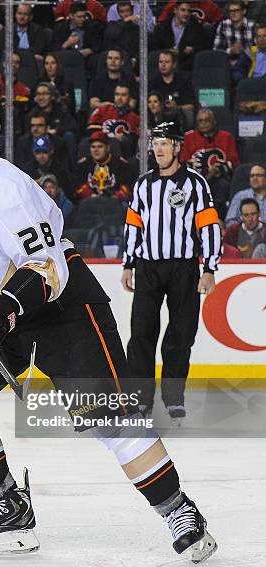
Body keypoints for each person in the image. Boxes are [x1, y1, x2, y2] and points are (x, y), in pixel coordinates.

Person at [0, 92, 217, 562]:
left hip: (64, 309)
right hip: (5, 310)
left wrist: (0, 308)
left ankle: (179, 511)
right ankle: (10, 510)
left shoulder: (10, 192)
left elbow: (46, 269)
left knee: (111, 420)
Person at [121, 122, 222, 421]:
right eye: (155, 143)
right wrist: (128, 264)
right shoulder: (143, 184)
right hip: (148, 267)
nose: (159, 149)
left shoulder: (196, 183)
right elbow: (133, 226)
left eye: (165, 143)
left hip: (184, 268)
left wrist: (210, 268)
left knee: (181, 333)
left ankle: (174, 397)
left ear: (178, 147)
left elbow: (209, 227)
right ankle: (140, 400)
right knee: (141, 334)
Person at [180, 108, 240, 218]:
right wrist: (204, 174)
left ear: (214, 122)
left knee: (222, 185)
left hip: (220, 179)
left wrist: (216, 171)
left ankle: (217, 218)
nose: (203, 123)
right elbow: (184, 162)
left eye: (207, 120)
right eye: (200, 121)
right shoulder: (189, 137)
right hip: (196, 178)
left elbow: (234, 163)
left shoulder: (226, 137)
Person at [74, 131, 130, 202]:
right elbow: (78, 188)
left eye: (100, 146)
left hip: (115, 203)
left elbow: (126, 189)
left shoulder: (120, 164)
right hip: (90, 203)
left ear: (108, 148)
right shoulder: (83, 165)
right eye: (93, 147)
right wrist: (92, 196)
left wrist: (114, 197)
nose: (96, 150)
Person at [87, 83, 139, 158]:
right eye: (117, 94)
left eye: (123, 95)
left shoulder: (135, 118)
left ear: (129, 98)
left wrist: (124, 139)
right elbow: (91, 130)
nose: (119, 98)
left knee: (115, 143)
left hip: (122, 150)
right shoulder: (103, 110)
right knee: (85, 143)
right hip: (101, 143)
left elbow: (133, 142)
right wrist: (109, 137)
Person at [152, 1, 206, 72]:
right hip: (164, 64)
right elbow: (154, 48)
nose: (186, 14)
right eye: (183, 10)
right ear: (175, 10)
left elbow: (202, 47)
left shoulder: (196, 27)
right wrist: (167, 52)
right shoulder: (161, 28)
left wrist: (193, 49)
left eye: (189, 11)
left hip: (186, 65)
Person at [149, 50, 195, 130]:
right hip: (157, 117)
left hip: (178, 117)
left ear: (174, 64)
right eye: (161, 62)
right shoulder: (152, 82)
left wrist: (176, 107)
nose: (163, 65)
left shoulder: (184, 81)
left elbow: (190, 106)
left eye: (166, 62)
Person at [213, 1, 255, 66]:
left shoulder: (253, 26)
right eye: (231, 11)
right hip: (228, 65)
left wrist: (243, 51)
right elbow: (216, 50)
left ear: (244, 11)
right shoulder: (223, 25)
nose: (233, 13)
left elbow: (260, 51)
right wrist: (231, 51)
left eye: (237, 10)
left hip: (248, 65)